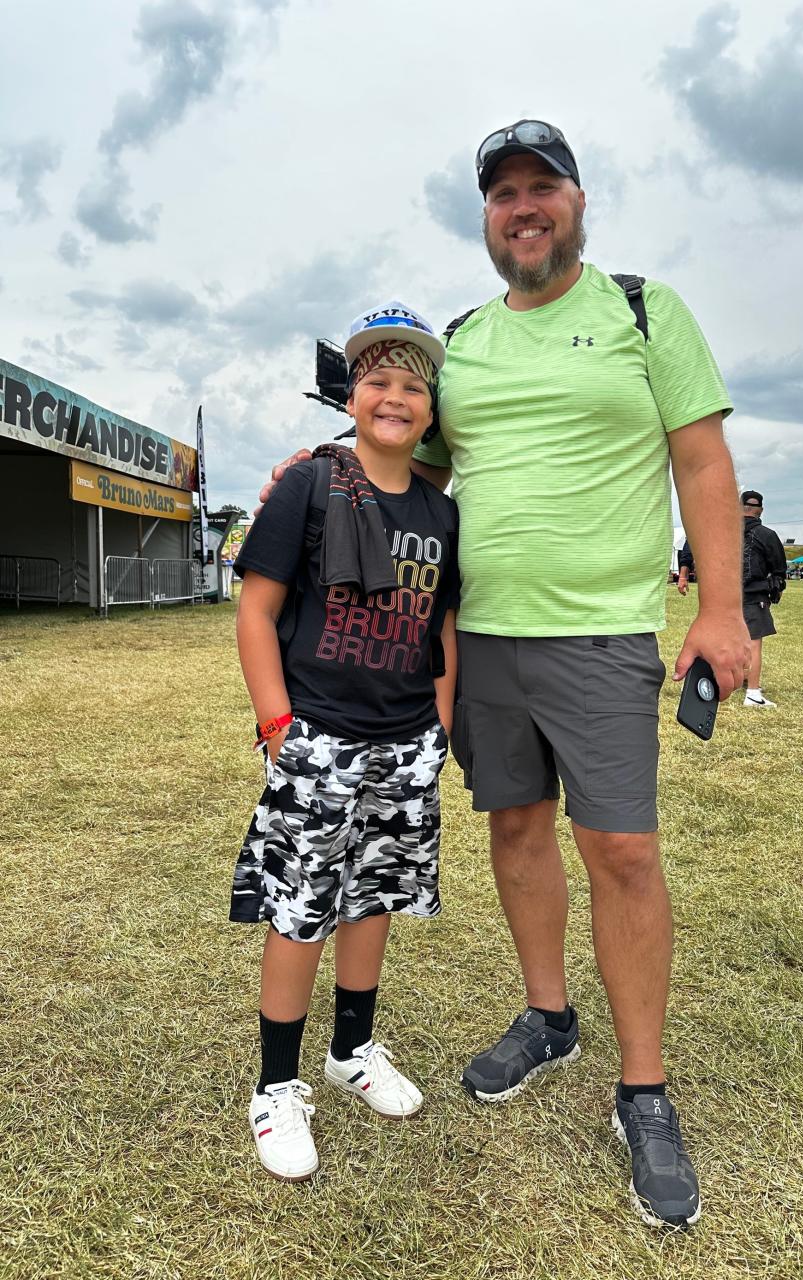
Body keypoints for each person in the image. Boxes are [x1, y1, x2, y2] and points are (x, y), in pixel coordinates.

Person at [262, 119, 750, 1227]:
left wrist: (721, 606)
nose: (522, 207)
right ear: (485, 219)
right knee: (516, 829)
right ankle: (547, 1014)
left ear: (578, 200)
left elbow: (703, 457)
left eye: (542, 188)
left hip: (601, 632)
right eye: (502, 195)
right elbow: (413, 456)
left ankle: (642, 1086)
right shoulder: (467, 340)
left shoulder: (642, 310)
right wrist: (326, 465)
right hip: (477, 635)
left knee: (621, 845)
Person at [233, 303, 459, 1181]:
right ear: (352, 395)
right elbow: (256, 609)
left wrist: (440, 723)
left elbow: (442, 629)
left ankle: (352, 1051)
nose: (394, 396)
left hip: (406, 742)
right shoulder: (310, 484)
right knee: (302, 908)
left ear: (431, 410)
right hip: (318, 735)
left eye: (412, 385)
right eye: (377, 381)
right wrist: (274, 722)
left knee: (373, 900)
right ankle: (276, 1086)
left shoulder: (442, 513)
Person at [740, 491, 787, 709]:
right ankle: (752, 692)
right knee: (754, 643)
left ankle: (738, 680)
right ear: (760, 510)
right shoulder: (766, 535)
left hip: (725, 596)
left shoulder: (724, 532)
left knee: (733, 640)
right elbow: (779, 568)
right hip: (753, 594)